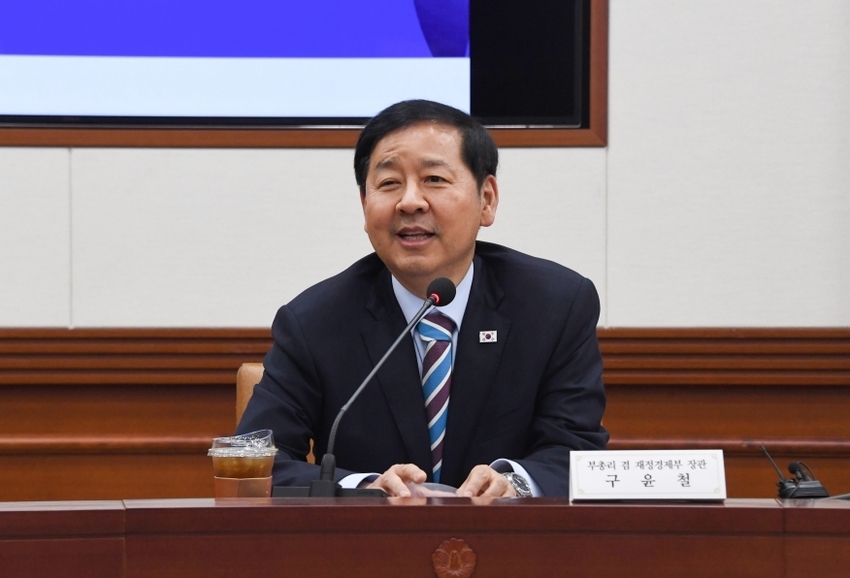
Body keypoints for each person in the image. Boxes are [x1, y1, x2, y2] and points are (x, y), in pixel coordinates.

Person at [236, 99, 608, 497]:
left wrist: (514, 484)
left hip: (511, 536)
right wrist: (365, 490)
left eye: (434, 179)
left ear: (486, 199)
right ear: (365, 205)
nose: (410, 202)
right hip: (374, 537)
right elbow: (257, 462)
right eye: (389, 183)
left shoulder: (554, 306)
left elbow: (576, 451)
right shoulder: (314, 321)